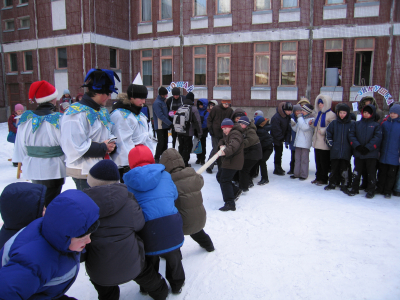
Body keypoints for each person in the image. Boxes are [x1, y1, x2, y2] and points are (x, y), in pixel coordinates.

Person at [83, 160, 169, 300]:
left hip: (100, 271)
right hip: (133, 264)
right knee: (149, 278)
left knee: (106, 292)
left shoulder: (82, 206)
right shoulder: (128, 201)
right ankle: (161, 293)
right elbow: (139, 224)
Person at [0, 190, 99, 299]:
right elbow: (6, 292)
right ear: (64, 236)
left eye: (89, 235)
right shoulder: (33, 262)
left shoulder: (51, 228)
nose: (89, 241)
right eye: (83, 238)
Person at [123, 145, 185, 295]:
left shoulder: (128, 182)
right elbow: (174, 195)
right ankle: (177, 284)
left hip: (147, 228)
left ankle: (148, 286)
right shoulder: (165, 175)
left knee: (149, 257)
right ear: (151, 158)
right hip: (171, 224)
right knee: (173, 255)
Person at [60, 69, 118, 191]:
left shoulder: (101, 110)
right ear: (99, 93)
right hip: (84, 171)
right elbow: (73, 146)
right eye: (108, 93)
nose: (109, 97)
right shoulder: (75, 113)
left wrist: (112, 143)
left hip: (100, 168)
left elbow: (106, 133)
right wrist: (103, 147)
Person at [13, 80, 66, 206]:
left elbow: (20, 146)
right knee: (51, 201)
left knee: (39, 201)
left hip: (33, 166)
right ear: (53, 99)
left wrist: (24, 159)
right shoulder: (58, 119)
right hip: (54, 168)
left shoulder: (25, 120)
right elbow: (66, 144)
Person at [160, 148, 215, 252]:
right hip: (200, 217)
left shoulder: (168, 181)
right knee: (197, 231)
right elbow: (200, 182)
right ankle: (209, 246)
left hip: (183, 222)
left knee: (171, 235)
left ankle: (171, 254)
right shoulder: (191, 173)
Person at [110, 74, 155, 180]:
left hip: (141, 161)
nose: (144, 102)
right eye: (141, 98)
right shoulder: (121, 116)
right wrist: (130, 165)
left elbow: (146, 136)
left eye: (145, 98)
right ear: (131, 97)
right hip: (128, 165)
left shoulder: (138, 114)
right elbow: (123, 144)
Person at [347, 104, 382, 198]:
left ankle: (371, 190)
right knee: (357, 171)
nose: (366, 114)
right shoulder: (357, 124)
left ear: (372, 114)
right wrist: (357, 146)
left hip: (371, 154)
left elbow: (377, 138)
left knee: (371, 173)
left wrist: (368, 148)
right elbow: (351, 135)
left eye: (368, 113)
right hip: (359, 153)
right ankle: (354, 188)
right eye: (364, 112)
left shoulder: (376, 126)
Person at [0, 182, 46, 249]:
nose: (46, 211)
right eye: (43, 209)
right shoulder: (28, 246)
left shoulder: (11, 227)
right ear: (28, 212)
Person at [322, 103, 352, 191]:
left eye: (344, 113)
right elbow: (328, 134)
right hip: (335, 150)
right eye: (340, 113)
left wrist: (351, 146)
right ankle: (332, 182)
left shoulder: (351, 124)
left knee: (345, 167)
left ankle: (345, 183)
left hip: (346, 150)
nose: (342, 115)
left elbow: (354, 136)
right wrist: (331, 144)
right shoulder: (334, 123)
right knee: (334, 167)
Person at [217, 118, 244, 212]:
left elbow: (234, 145)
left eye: (226, 128)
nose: (224, 131)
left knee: (225, 180)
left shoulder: (235, 133)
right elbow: (222, 140)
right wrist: (221, 145)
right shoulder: (229, 133)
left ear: (231, 127)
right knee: (219, 176)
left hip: (233, 161)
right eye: (223, 129)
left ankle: (230, 203)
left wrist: (225, 151)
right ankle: (235, 191)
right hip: (229, 160)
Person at [311, 94, 336, 185]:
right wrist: (312, 123)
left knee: (324, 162)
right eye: (319, 103)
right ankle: (318, 177)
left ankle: (324, 178)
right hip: (317, 141)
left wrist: (323, 130)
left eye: (322, 103)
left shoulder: (331, 115)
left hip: (324, 142)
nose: (320, 105)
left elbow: (332, 127)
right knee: (317, 161)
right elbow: (316, 125)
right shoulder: (319, 113)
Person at [376, 104, 400, 199]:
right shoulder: (385, 124)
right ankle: (380, 188)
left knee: (391, 174)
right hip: (384, 153)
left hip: (395, 154)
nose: (392, 114)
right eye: (391, 113)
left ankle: (387, 191)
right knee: (382, 172)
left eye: (395, 113)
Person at [206, 99, 233, 174]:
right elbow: (209, 119)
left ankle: (221, 166)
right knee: (215, 149)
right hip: (215, 132)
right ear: (222, 103)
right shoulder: (216, 109)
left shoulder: (230, 110)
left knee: (223, 150)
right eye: (225, 104)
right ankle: (209, 166)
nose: (226, 105)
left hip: (225, 133)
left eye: (228, 104)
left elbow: (231, 120)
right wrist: (210, 128)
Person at [175, 92, 202, 167]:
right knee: (187, 147)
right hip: (188, 131)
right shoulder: (193, 108)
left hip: (179, 130)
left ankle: (180, 162)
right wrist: (200, 133)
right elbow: (197, 121)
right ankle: (185, 163)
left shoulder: (181, 107)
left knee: (181, 146)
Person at [237, 116, 262, 192]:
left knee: (244, 169)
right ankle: (244, 185)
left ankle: (244, 187)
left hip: (254, 153)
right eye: (239, 124)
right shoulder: (245, 130)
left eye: (242, 124)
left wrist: (240, 144)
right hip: (251, 153)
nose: (240, 126)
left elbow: (250, 140)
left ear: (246, 124)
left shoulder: (251, 131)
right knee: (244, 169)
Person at [290, 104, 314, 180]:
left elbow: (304, 127)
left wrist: (299, 118)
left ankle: (304, 174)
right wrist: (293, 125)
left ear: (307, 112)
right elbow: (297, 129)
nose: (301, 112)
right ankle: (296, 173)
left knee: (304, 160)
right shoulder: (301, 119)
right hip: (298, 143)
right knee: (297, 159)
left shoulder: (311, 120)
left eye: (303, 110)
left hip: (305, 143)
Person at [271, 102, 293, 175]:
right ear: (284, 110)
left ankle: (279, 167)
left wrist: (286, 139)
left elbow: (287, 128)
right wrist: (281, 138)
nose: (289, 112)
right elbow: (276, 129)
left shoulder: (287, 117)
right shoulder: (276, 117)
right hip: (277, 138)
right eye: (288, 110)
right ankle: (277, 168)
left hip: (281, 138)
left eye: (290, 111)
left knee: (280, 153)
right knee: (278, 153)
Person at [153, 86, 173, 163]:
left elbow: (166, 114)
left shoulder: (163, 102)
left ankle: (164, 157)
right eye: (165, 95)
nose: (166, 96)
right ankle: (157, 157)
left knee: (165, 143)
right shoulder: (157, 103)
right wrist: (169, 123)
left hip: (164, 126)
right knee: (161, 143)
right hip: (159, 126)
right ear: (162, 95)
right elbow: (160, 115)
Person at [254, 116, 274, 185]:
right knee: (259, 160)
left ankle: (265, 178)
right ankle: (256, 174)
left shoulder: (260, 131)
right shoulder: (260, 129)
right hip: (264, 147)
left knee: (262, 161)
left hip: (268, 148)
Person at [288, 105, 302, 175]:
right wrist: (287, 141)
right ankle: (292, 169)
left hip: (300, 140)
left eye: (300, 111)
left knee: (299, 157)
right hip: (293, 139)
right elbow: (288, 131)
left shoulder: (302, 118)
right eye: (297, 111)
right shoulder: (291, 118)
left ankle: (298, 169)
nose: (299, 112)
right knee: (293, 156)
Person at [195, 98, 209, 165]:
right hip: (197, 131)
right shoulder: (197, 111)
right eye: (199, 105)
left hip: (203, 131)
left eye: (201, 105)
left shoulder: (206, 113)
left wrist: (200, 129)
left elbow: (205, 123)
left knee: (203, 145)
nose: (200, 106)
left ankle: (202, 158)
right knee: (197, 145)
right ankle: (198, 158)